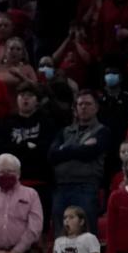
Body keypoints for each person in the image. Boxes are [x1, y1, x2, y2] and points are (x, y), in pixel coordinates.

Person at [48, 90, 111, 233]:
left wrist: (64, 149)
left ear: (96, 108)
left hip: (86, 187)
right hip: (61, 187)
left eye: (88, 104)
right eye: (80, 104)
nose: (83, 107)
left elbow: (89, 153)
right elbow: (52, 155)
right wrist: (79, 148)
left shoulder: (102, 131)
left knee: (86, 235)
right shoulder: (64, 131)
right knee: (61, 236)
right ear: (75, 108)